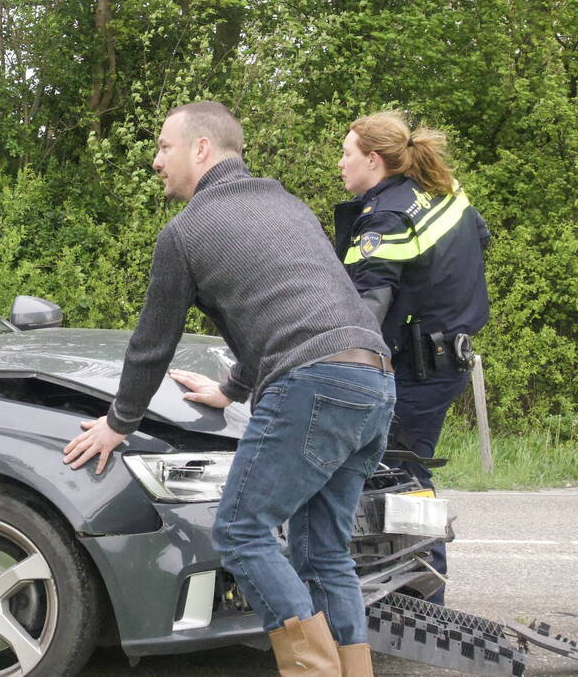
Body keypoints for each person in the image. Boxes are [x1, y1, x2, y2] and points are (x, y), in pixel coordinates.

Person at [63, 101, 394, 676]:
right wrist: (233, 390)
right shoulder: (286, 206)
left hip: (312, 383)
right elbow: (284, 309)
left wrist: (118, 423)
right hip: (373, 380)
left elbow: (151, 345)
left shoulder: (187, 232)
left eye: (165, 147)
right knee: (323, 555)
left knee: (242, 530)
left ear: (201, 149)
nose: (155, 160)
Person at [334, 110, 490, 605]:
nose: (340, 163)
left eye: (347, 153)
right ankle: (409, 591)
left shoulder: (386, 217)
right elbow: (478, 240)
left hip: (417, 369)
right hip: (447, 358)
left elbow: (368, 308)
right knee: (397, 472)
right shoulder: (441, 192)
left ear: (374, 160)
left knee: (397, 474)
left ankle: (423, 599)